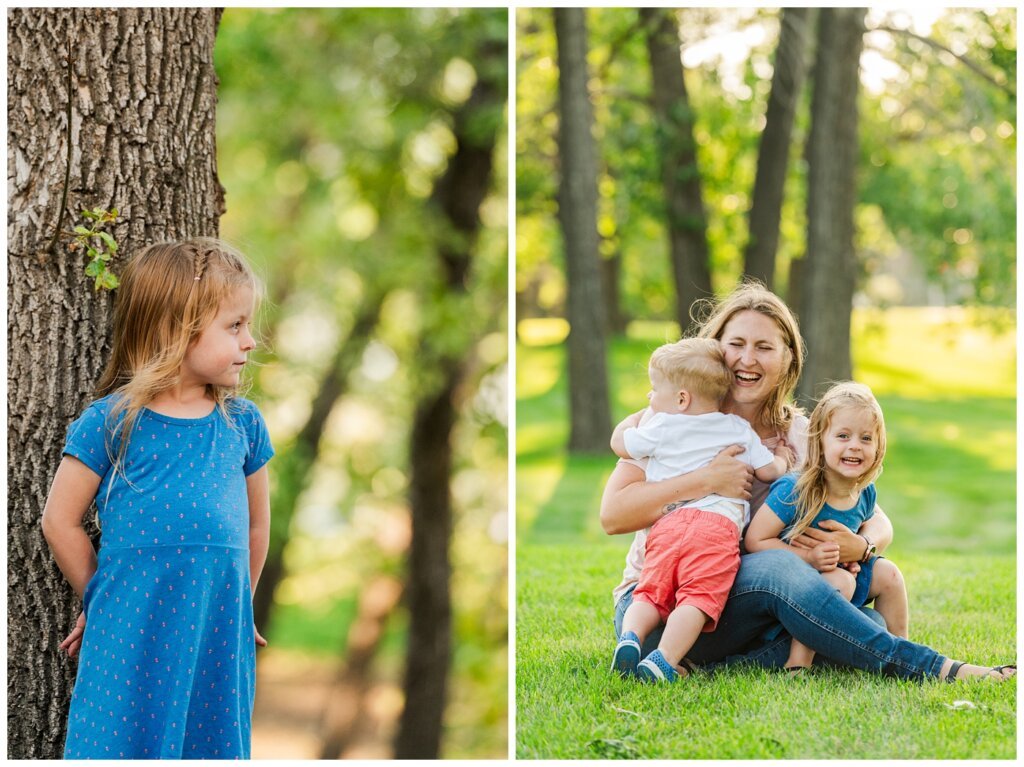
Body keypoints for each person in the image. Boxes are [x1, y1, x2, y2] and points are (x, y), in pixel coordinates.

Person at [601, 281, 1014, 682]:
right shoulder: (674, 417)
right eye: (737, 344)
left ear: (788, 360)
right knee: (784, 572)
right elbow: (612, 516)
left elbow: (874, 515)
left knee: (860, 616)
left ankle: (724, 663)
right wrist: (706, 479)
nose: (748, 359)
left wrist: (864, 545)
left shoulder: (802, 436)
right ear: (715, 348)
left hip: (740, 609)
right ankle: (935, 668)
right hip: (657, 605)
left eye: (764, 347)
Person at [41, 238, 275, 759]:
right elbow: (60, 521)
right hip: (129, 627)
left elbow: (258, 527)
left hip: (216, 632)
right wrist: (97, 595)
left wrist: (242, 603)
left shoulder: (242, 426)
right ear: (175, 329)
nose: (251, 341)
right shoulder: (112, 421)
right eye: (234, 326)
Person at [609, 338, 788, 682]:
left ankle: (631, 636)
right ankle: (664, 659)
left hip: (668, 525)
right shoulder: (736, 428)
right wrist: (781, 456)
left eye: (653, 390)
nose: (649, 398)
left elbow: (620, 443)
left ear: (681, 398)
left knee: (651, 591)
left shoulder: (659, 426)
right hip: (715, 528)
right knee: (698, 598)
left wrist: (631, 422)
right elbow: (769, 472)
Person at [745, 381, 908, 675]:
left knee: (889, 574)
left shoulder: (865, 492)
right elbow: (755, 540)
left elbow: (871, 533)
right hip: (794, 589)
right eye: (843, 436)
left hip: (839, 574)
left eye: (866, 438)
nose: (854, 445)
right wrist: (809, 558)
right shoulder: (795, 489)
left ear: (878, 446)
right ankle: (798, 664)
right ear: (820, 440)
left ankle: (900, 654)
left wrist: (857, 551)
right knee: (841, 582)